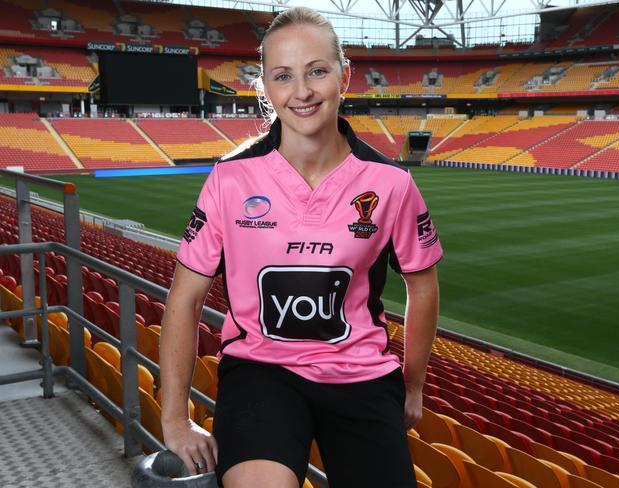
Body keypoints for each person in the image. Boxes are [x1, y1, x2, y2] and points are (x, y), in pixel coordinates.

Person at [160, 6, 441, 488]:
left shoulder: (391, 183)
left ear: (344, 75)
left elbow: (424, 286)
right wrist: (174, 420)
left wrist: (411, 385)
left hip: (360, 374)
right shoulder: (230, 179)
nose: (303, 92)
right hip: (259, 372)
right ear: (266, 87)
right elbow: (184, 298)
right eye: (284, 76)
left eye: (317, 71)